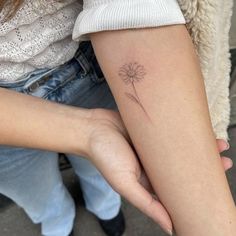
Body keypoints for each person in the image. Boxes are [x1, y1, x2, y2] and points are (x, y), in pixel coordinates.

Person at [0, 0, 235, 236]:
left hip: (91, 67)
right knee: (35, 193)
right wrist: (84, 133)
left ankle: (105, 206)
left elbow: (131, 13)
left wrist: (90, 133)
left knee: (107, 169)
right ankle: (57, 220)